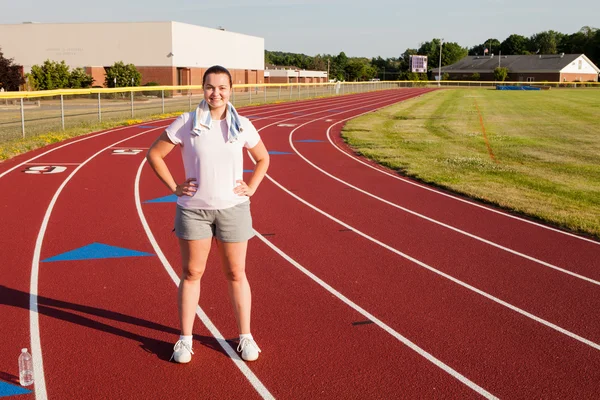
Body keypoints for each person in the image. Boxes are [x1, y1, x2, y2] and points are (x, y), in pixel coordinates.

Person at [146, 65, 270, 363]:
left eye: (221, 88)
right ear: (203, 88)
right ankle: (185, 340)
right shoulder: (187, 122)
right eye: (210, 87)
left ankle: (245, 336)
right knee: (191, 273)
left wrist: (251, 186)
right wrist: (175, 186)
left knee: (236, 273)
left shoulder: (243, 124)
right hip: (194, 212)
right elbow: (154, 154)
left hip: (233, 210)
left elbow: (263, 158)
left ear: (231, 90)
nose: (215, 93)